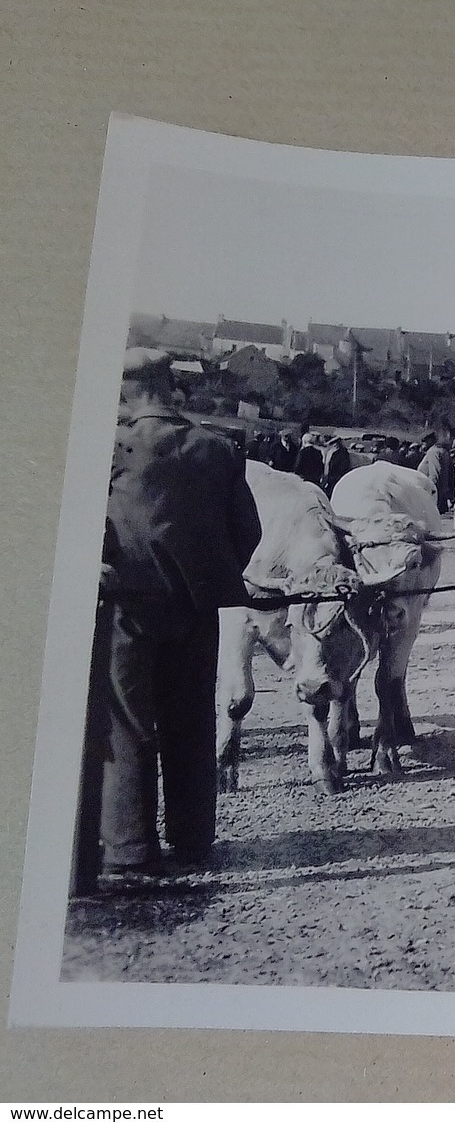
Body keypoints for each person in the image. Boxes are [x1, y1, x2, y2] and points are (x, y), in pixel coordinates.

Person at [81, 349, 261, 892]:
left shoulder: (112, 447)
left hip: (127, 607)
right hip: (195, 607)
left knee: (130, 724)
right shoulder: (217, 447)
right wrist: (203, 577)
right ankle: (192, 838)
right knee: (190, 720)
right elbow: (247, 530)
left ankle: (132, 850)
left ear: (128, 393)